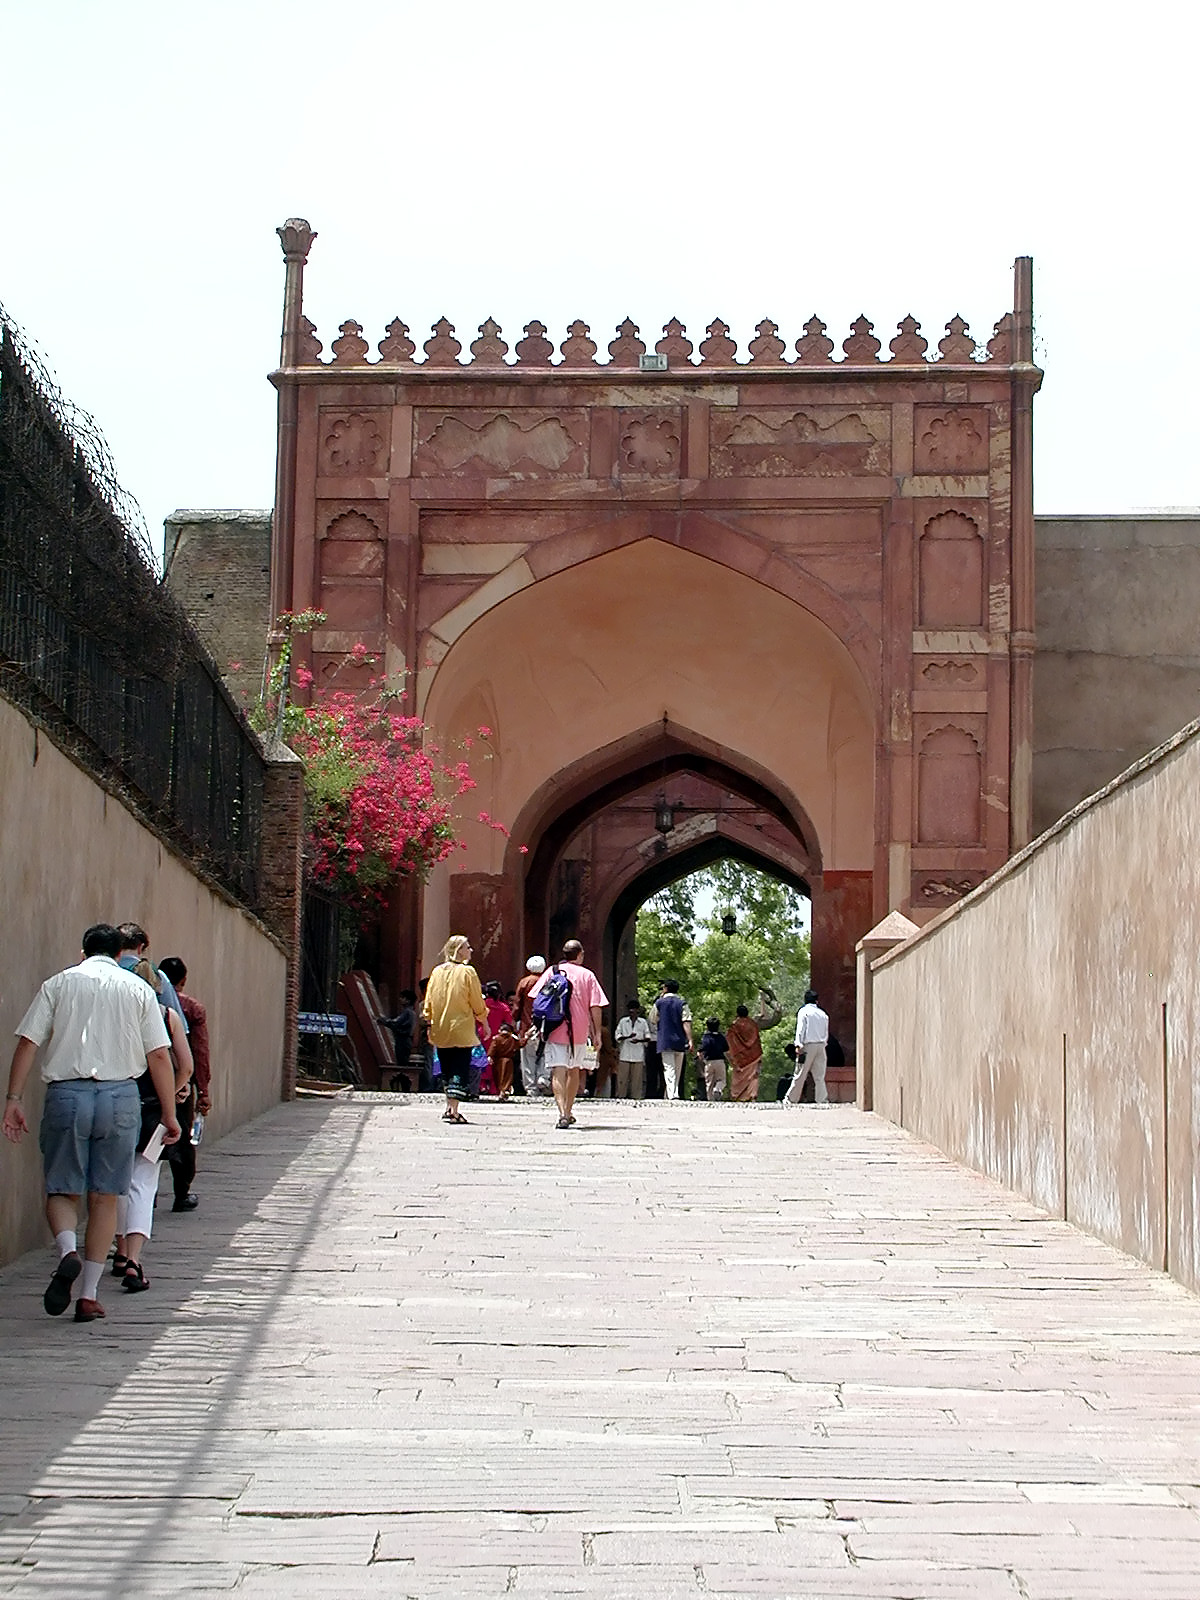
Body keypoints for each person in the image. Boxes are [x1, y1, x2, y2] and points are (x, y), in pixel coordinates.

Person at [2, 924, 179, 1323]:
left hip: (67, 1093)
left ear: (83, 952)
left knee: (62, 1188)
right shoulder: (136, 989)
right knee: (106, 1196)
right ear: (119, 954)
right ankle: (89, 1295)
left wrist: (13, 1099)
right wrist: (168, 1114)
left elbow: (28, 1041)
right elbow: (159, 1056)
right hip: (120, 1097)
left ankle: (67, 1253)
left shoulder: (59, 983)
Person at [113, 959, 193, 1292]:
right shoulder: (166, 1016)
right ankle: (133, 1259)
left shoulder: (116, 1016)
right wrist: (173, 1093)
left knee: (112, 1184)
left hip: (116, 1103)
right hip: (154, 1111)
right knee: (143, 1184)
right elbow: (185, 1066)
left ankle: (117, 1251)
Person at [529, 939, 607, 1131]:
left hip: (555, 1027)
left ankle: (562, 1112)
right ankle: (568, 1111)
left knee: (558, 1071)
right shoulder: (588, 975)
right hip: (579, 1030)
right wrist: (597, 1033)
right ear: (580, 954)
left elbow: (536, 999)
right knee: (574, 1070)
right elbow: (595, 1006)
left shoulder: (552, 971)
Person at [157, 956, 210, 1211]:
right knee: (182, 1138)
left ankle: (148, 1195)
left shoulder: (151, 1002)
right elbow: (199, 1051)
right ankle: (182, 1193)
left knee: (149, 1136)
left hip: (150, 1080)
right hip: (181, 1081)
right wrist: (203, 1090)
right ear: (184, 980)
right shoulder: (191, 1008)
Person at [422, 935, 489, 1125]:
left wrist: (429, 1023)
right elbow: (476, 1001)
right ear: (459, 950)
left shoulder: (436, 972)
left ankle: (448, 1106)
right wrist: (484, 1021)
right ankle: (454, 1109)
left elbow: (429, 1001)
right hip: (461, 1028)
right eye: (467, 947)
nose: (471, 950)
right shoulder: (468, 972)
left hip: (440, 1028)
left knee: (446, 1068)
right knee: (459, 1068)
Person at [726, 987, 782, 1103]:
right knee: (754, 1076)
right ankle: (752, 1095)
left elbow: (730, 1042)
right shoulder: (754, 1023)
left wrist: (731, 1057)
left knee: (738, 1075)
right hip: (754, 1055)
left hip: (739, 1057)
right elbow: (763, 1015)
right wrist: (762, 1000)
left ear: (737, 1014)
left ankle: (737, 1096)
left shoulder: (733, 1026)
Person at [786, 988, 830, 1106]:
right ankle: (822, 1099)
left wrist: (798, 1044)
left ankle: (791, 1099)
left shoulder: (804, 1012)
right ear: (817, 1001)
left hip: (807, 1045)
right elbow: (826, 1032)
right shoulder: (823, 1014)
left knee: (800, 1074)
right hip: (821, 1045)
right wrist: (824, 1043)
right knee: (819, 1076)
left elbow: (801, 1029)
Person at [650, 979, 692, 1100]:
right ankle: (673, 1092)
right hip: (680, 1040)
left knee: (669, 1067)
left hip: (665, 1039)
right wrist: (690, 1039)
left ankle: (671, 1093)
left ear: (665, 989)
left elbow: (652, 1018)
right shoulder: (682, 1003)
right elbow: (686, 1022)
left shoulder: (659, 1003)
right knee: (677, 1068)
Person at [514, 956, 548, 1096]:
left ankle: (531, 1087)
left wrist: (515, 1020)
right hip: (545, 1025)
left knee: (528, 1058)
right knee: (544, 1054)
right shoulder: (547, 981)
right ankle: (542, 1078)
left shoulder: (524, 983)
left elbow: (517, 1005)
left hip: (527, 1025)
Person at [613, 1000, 651, 1099]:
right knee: (622, 1079)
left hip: (638, 1054)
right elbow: (617, 1036)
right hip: (625, 1054)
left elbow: (648, 1037)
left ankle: (636, 1097)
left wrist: (639, 1040)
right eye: (630, 1011)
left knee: (637, 1080)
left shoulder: (642, 1022)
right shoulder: (623, 1022)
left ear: (637, 1011)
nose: (632, 1013)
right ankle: (621, 1096)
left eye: (634, 1011)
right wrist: (627, 1037)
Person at [697, 1016, 730, 1101]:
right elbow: (726, 1051)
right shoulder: (721, 1037)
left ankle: (710, 1100)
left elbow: (700, 1051)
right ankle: (718, 1089)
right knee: (722, 1080)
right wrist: (730, 1061)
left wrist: (702, 1061)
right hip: (720, 1061)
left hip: (709, 1062)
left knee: (709, 1083)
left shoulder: (706, 1037)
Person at [486, 1020, 518, 1100]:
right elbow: (520, 1044)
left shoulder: (497, 1039)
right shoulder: (512, 1039)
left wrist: (490, 1056)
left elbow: (493, 1048)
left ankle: (501, 1091)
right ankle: (505, 1089)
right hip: (509, 1060)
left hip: (499, 1061)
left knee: (499, 1076)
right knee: (508, 1077)